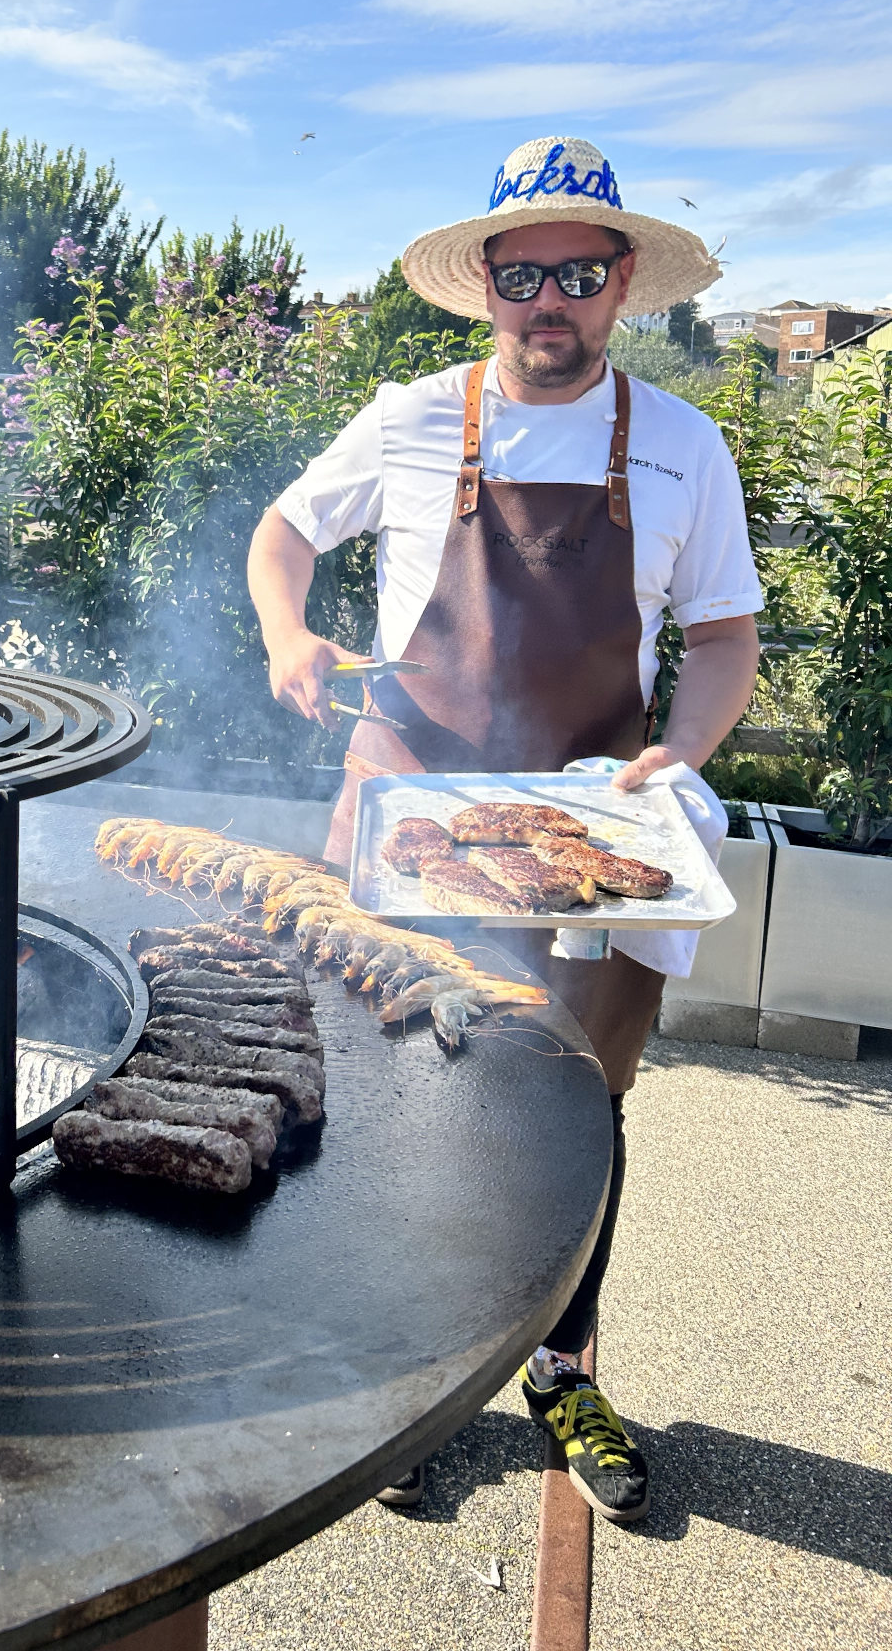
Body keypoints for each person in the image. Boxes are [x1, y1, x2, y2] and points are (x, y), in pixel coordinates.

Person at [247, 135, 763, 1524]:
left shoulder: (681, 446)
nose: (552, 298)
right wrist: (289, 635)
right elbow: (285, 533)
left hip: (593, 840)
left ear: (622, 285)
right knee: (407, 1087)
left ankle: (559, 1368)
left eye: (579, 273)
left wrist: (686, 747)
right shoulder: (413, 414)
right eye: (523, 272)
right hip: (411, 813)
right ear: (485, 285)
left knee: (575, 1110)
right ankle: (418, 1371)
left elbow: (721, 637)